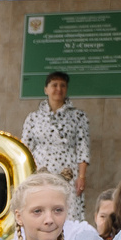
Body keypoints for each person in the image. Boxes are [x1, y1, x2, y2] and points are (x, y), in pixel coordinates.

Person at [20, 70, 94, 217]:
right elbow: (25, 148)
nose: (58, 89)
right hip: (40, 170)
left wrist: (81, 176)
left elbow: (83, 147)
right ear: (46, 89)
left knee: (66, 208)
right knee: (39, 207)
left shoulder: (78, 116)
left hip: (67, 171)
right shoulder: (33, 117)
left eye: (62, 85)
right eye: (54, 85)